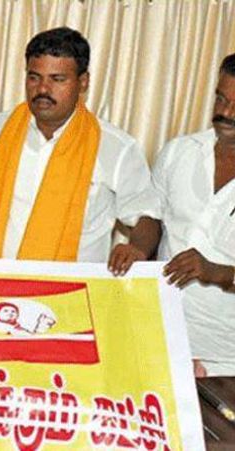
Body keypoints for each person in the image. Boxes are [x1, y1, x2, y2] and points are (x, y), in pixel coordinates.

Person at [0, 27, 160, 275]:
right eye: (34, 77)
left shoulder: (116, 148)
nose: (43, 90)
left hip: (73, 290)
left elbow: (147, 216)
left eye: (57, 79)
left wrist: (137, 248)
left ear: (83, 82)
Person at [155, 54, 235, 377]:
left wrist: (217, 272)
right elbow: (151, 217)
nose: (226, 113)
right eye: (221, 99)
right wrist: (135, 249)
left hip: (225, 359)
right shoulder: (179, 151)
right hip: (161, 338)